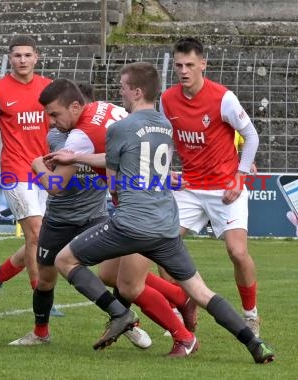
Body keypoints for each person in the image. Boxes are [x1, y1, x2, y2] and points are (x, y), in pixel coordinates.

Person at [51, 63, 274, 363]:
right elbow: (129, 155)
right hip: (166, 225)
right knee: (200, 291)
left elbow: (114, 184)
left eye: (123, 87)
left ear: (137, 91)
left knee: (64, 259)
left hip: (130, 225)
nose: (121, 92)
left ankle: (119, 314)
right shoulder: (165, 125)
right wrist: (79, 156)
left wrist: (78, 161)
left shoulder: (119, 128)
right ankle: (254, 345)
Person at [33, 76, 203, 357]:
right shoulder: (105, 108)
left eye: (54, 114)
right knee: (110, 274)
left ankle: (184, 336)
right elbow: (123, 154)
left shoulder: (79, 137)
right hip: (131, 206)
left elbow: (56, 186)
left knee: (129, 284)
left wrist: (37, 164)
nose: (50, 121)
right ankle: (179, 298)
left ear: (76, 106)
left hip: (138, 212)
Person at [160, 37, 262, 336]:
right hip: (189, 187)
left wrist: (239, 176)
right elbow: (164, 140)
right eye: (178, 65)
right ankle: (181, 311)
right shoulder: (167, 99)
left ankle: (251, 314)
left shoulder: (223, 98)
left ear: (203, 64)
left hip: (224, 188)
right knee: (161, 247)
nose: (183, 70)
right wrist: (166, 171)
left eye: (190, 64)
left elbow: (251, 136)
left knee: (237, 252)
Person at [0, 36, 65, 317]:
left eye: (27, 55)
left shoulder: (48, 87)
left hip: (45, 171)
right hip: (15, 171)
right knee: (36, 232)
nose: (22, 60)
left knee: (38, 239)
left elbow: (61, 123)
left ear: (36, 57)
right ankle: (40, 295)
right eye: (17, 55)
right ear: (10, 58)